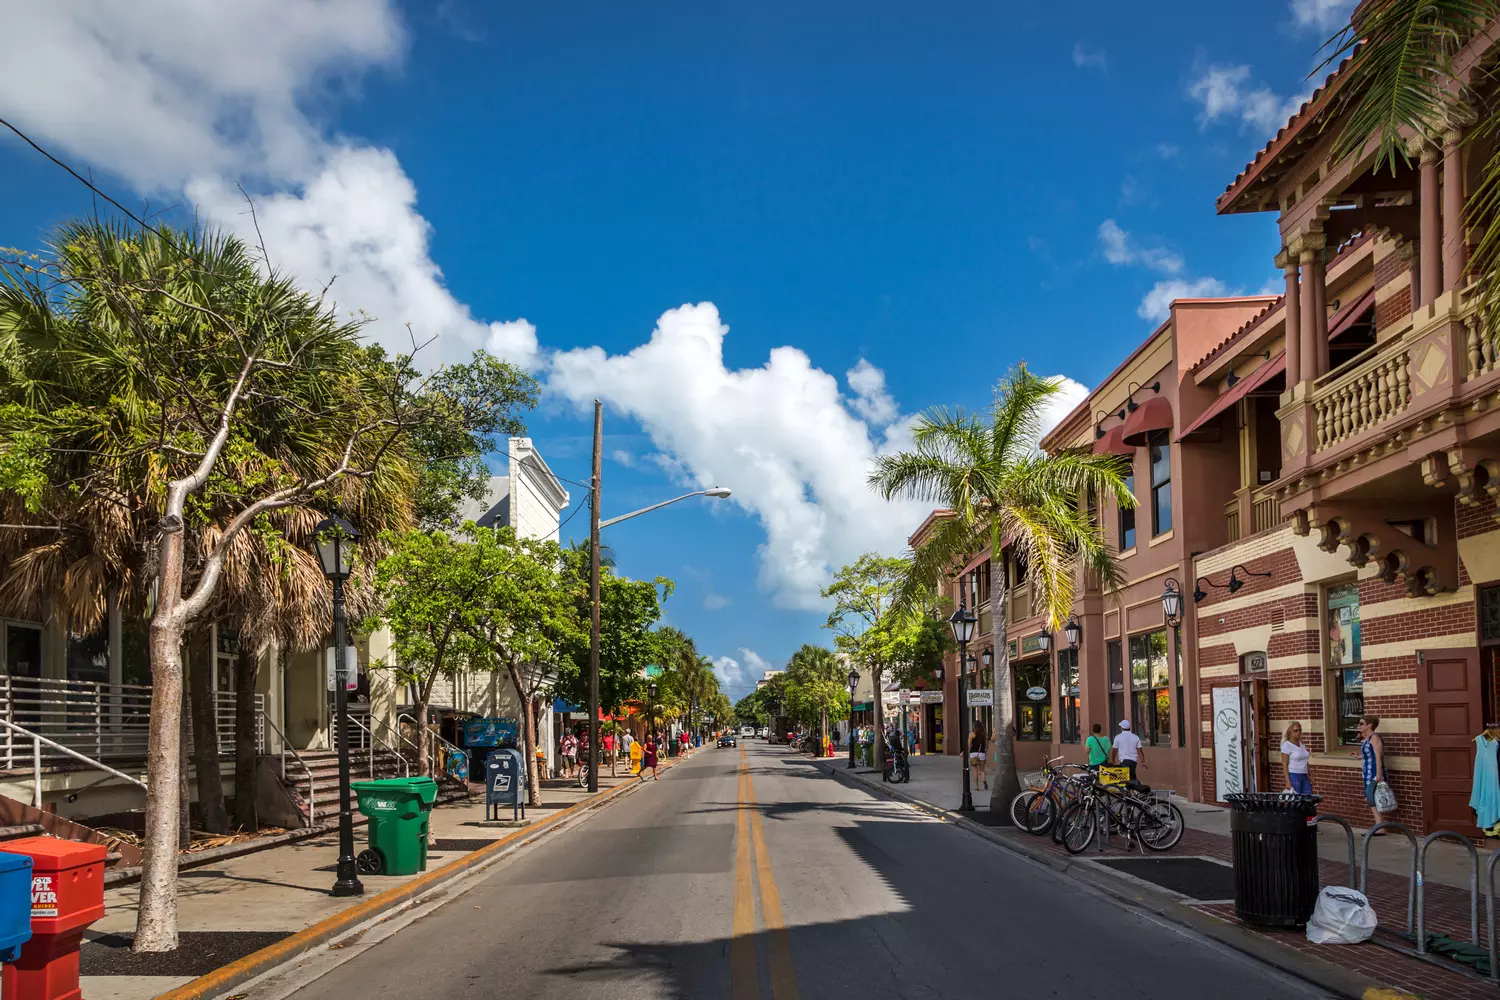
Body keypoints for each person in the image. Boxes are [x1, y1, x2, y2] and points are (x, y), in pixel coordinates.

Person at [1359, 715, 1390, 828]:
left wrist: (1378, 774)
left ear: (1369, 725)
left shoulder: (1375, 738)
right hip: (1367, 772)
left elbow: (1378, 757)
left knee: (1371, 796)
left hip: (1373, 772)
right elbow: (1369, 755)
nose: (1359, 726)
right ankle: (1379, 825)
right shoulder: (1367, 738)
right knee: (1370, 797)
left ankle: (1379, 826)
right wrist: (1360, 757)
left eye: (1362, 723)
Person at [1280, 721, 1313, 795]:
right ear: (1289, 732)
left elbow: (1305, 761)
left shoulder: (1301, 743)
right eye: (1296, 730)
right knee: (1296, 801)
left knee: (1308, 798)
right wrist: (1287, 781)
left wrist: (1310, 775)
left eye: (1300, 730)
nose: (1299, 732)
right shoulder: (1286, 745)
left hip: (1304, 775)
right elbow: (1284, 764)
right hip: (1294, 776)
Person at [969, 722, 989, 790]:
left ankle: (977, 787)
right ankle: (984, 780)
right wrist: (985, 753)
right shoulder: (984, 735)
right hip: (982, 753)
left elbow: (968, 745)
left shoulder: (972, 734)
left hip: (973, 754)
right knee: (982, 770)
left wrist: (963, 752)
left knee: (975, 771)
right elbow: (987, 745)